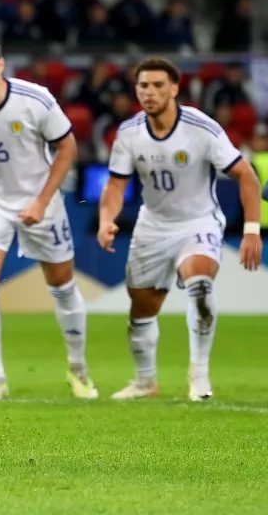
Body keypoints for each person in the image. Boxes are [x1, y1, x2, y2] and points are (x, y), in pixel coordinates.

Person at [98, 57, 263, 401]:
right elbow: (115, 186)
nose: (150, 92)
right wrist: (107, 219)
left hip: (199, 221)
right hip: (153, 226)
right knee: (142, 309)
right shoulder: (128, 133)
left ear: (175, 89)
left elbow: (245, 174)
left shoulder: (201, 128)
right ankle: (145, 382)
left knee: (199, 285)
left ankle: (199, 377)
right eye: (143, 85)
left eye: (159, 85)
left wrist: (250, 230)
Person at [0, 34, 97, 401]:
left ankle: (78, 368)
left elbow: (67, 148)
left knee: (62, 287)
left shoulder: (36, 100)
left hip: (38, 199)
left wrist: (43, 201)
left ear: (0, 66)